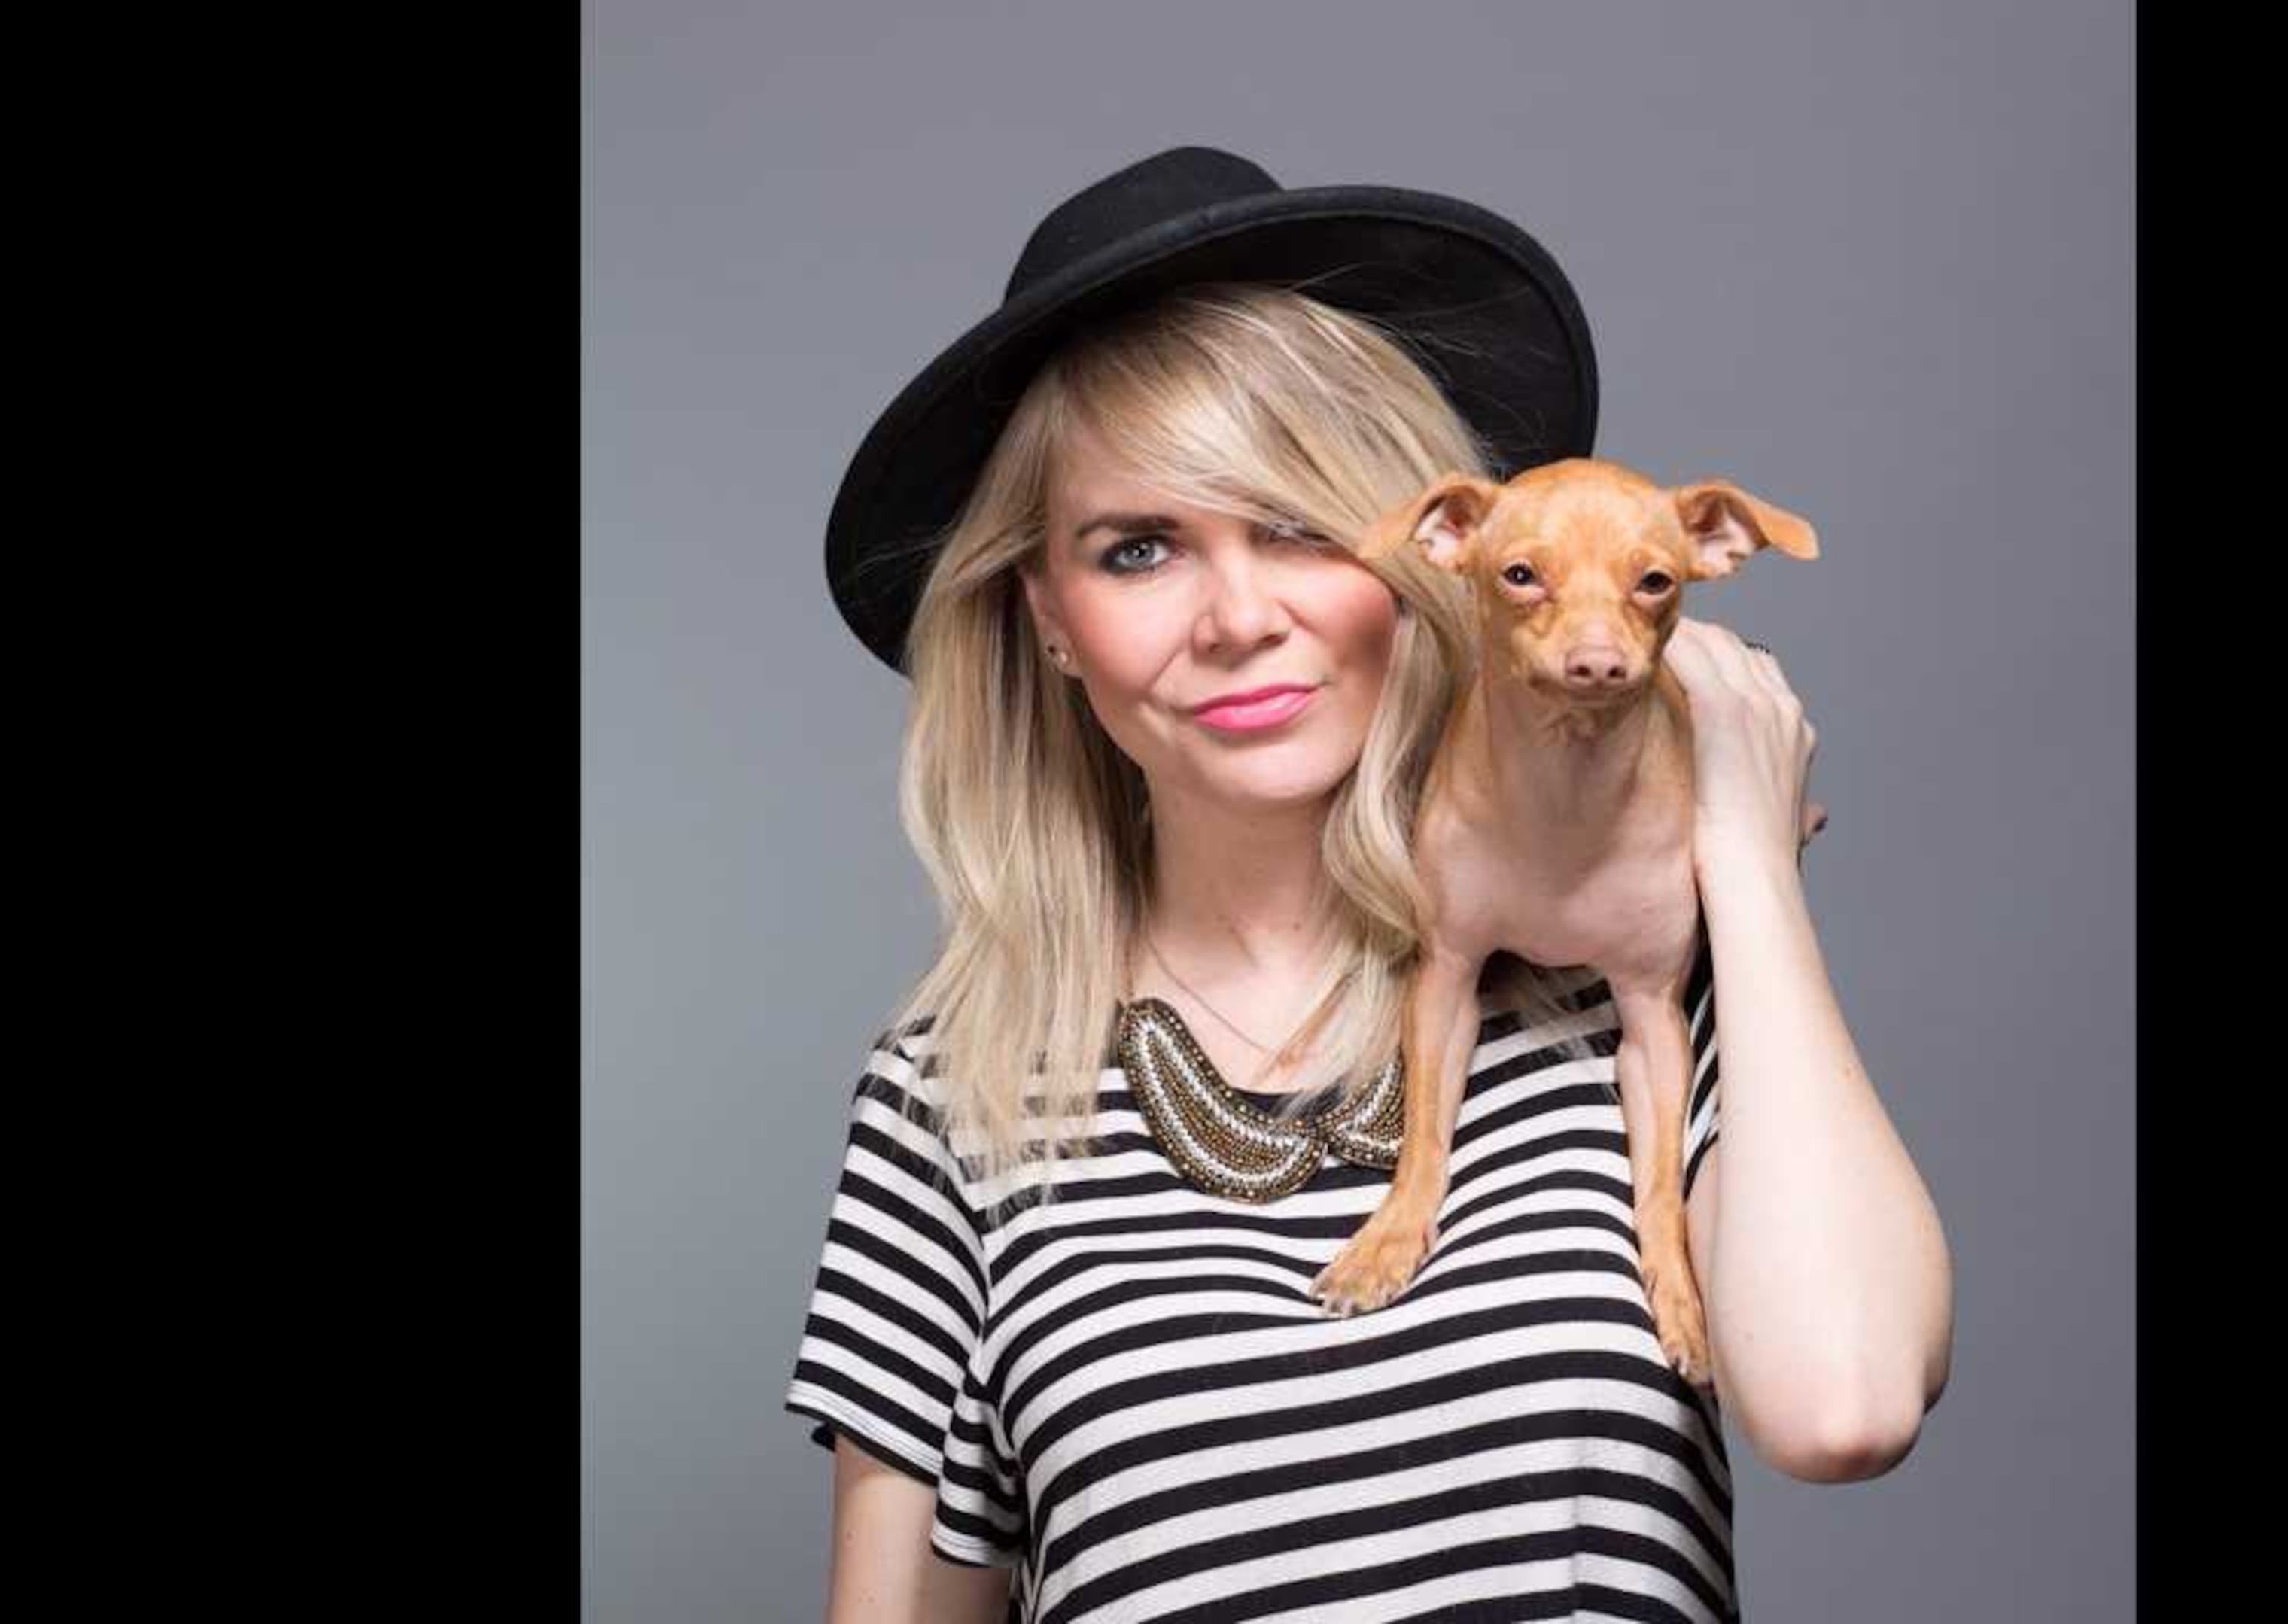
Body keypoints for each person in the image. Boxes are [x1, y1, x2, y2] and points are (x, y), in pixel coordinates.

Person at [783, 145, 1952, 1624]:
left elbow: (1845, 1401)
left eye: (1302, 525)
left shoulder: (1627, 975)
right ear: (1053, 621)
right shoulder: (951, 1094)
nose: (1238, 617)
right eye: (1138, 548)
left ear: (1426, 556)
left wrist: (1736, 841)